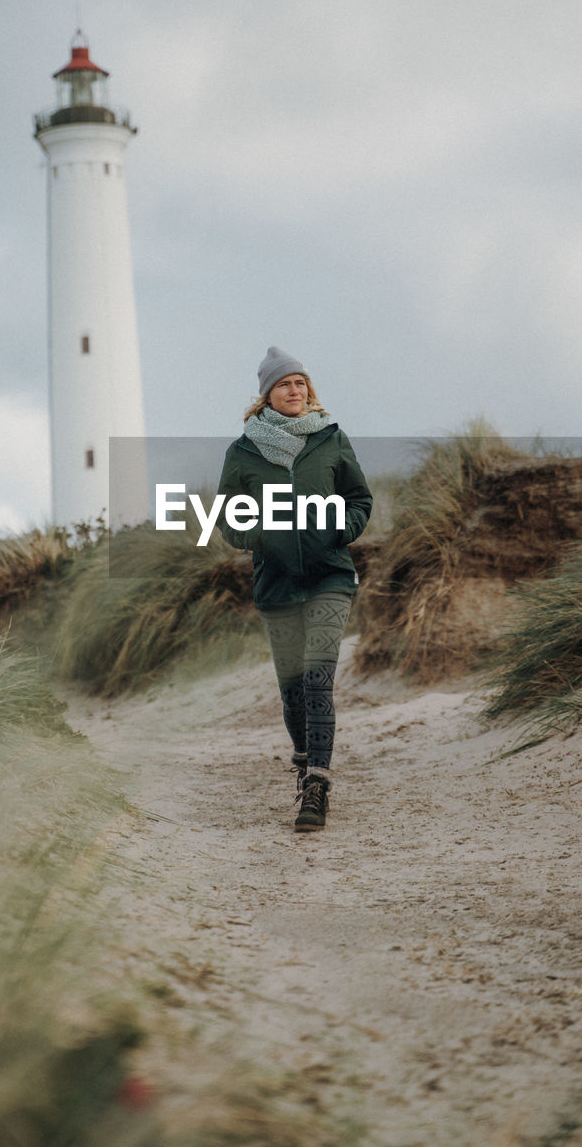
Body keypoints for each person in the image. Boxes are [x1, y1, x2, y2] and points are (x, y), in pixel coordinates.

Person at [216, 346, 373, 831]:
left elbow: (360, 499)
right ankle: (304, 759)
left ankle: (317, 788)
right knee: (292, 691)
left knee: (317, 680)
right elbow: (226, 517)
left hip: (329, 576)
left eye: (301, 383)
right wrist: (259, 535)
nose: (295, 391)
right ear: (267, 394)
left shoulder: (331, 439)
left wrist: (338, 528)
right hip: (277, 583)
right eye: (285, 384)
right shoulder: (243, 452)